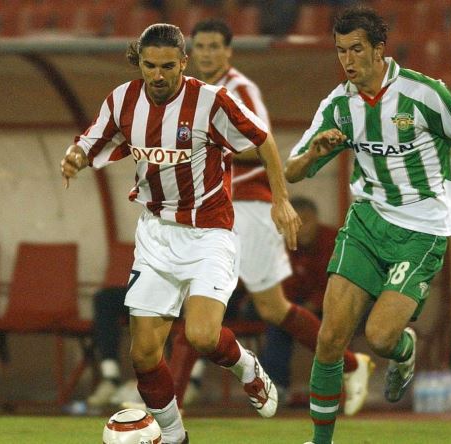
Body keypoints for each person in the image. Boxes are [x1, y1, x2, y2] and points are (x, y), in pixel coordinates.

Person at [285, 6, 451, 443]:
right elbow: (292, 171)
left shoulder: (423, 94)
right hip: (367, 221)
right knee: (330, 337)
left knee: (379, 337)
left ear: (379, 50)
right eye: (341, 51)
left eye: (356, 49)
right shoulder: (338, 105)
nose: (348, 60)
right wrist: (314, 153)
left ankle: (403, 347)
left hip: (421, 229)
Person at [61, 23, 301, 444]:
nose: (157, 75)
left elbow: (263, 141)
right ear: (140, 63)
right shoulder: (122, 100)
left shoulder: (210, 101)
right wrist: (75, 157)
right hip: (156, 234)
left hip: (209, 232)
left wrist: (281, 200)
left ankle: (246, 367)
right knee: (143, 354)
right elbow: (91, 140)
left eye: (167, 67)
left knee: (202, 336)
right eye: (149, 66)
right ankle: (174, 436)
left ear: (183, 63)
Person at [167, 18, 373, 416]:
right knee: (225, 306)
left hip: (248, 206)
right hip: (218, 208)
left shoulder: (239, 89)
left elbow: (261, 142)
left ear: (228, 51)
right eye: (201, 46)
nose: (207, 53)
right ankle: (168, 406)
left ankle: (351, 364)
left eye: (215, 46)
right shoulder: (191, 94)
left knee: (252, 306)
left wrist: (212, 145)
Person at [260, 196, 374, 415]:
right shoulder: (282, 246)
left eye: (307, 221)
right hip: (300, 307)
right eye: (297, 222)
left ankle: (340, 391)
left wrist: (315, 302)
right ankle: (276, 388)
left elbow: (348, 281)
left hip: (336, 305)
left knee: (339, 324)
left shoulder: (335, 240)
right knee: (277, 322)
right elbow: (284, 287)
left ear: (317, 219)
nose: (302, 228)